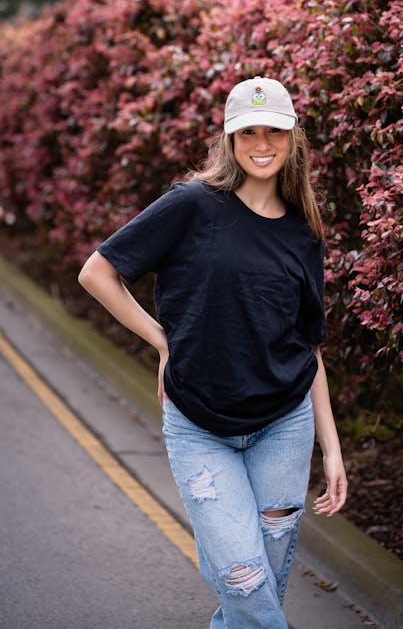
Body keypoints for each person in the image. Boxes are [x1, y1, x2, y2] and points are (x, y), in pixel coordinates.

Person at [78, 75, 348, 628]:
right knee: (245, 580)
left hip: (284, 425)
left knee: (257, 592)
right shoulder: (192, 204)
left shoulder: (304, 232)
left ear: (293, 136)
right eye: (246, 131)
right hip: (200, 423)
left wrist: (332, 448)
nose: (261, 143)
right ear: (229, 139)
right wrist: (161, 339)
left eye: (273, 129)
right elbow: (97, 272)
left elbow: (308, 345)